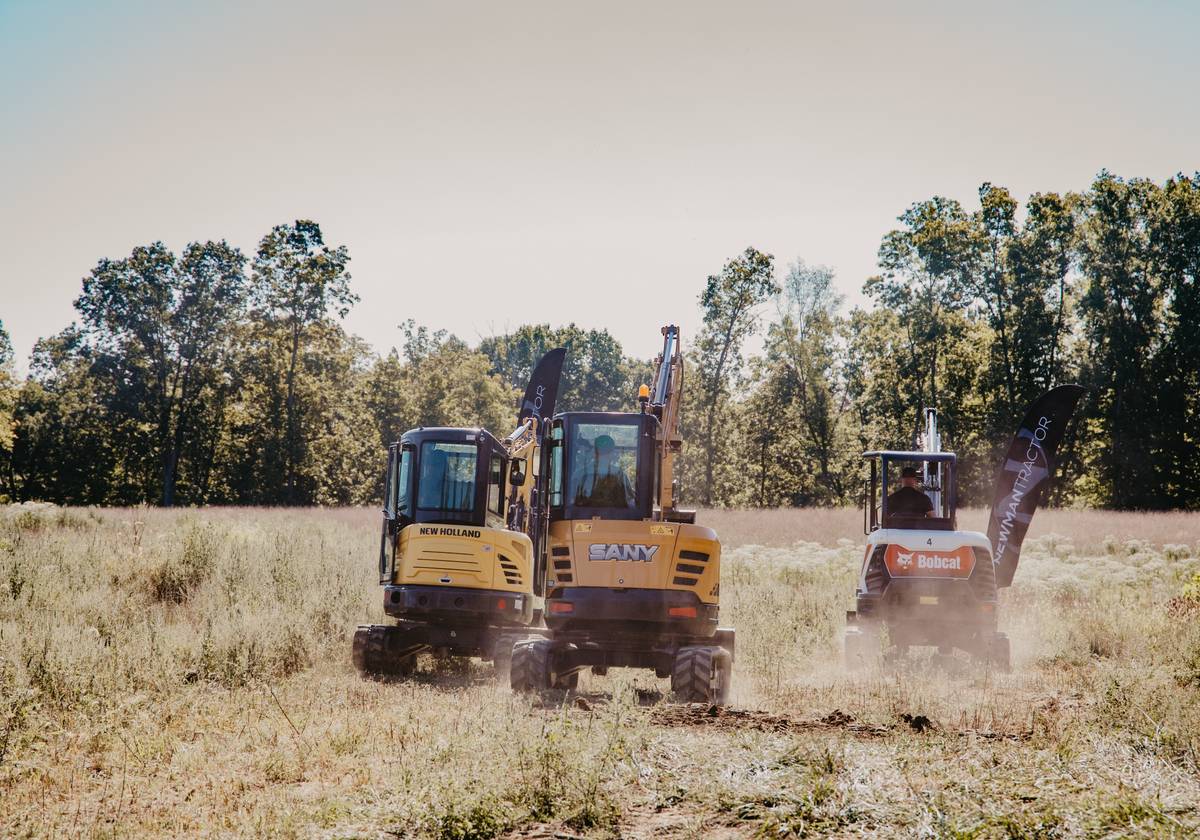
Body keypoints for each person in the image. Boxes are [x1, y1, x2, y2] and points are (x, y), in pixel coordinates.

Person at [572, 434, 634, 507]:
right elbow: (629, 501)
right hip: (615, 517)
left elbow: (572, 500)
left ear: (594, 452)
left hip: (582, 517)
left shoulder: (579, 474)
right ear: (612, 453)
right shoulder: (620, 475)